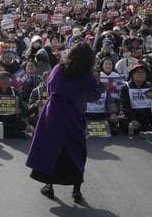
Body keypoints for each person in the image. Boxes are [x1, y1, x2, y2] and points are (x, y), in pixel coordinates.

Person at [27, 43, 98, 202]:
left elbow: (49, 86)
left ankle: (49, 186)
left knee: (52, 150)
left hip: (54, 115)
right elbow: (93, 96)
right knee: (76, 152)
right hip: (74, 116)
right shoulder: (86, 76)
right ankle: (76, 190)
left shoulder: (59, 70)